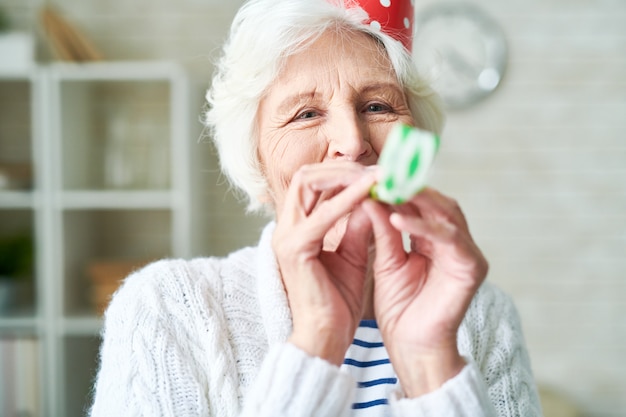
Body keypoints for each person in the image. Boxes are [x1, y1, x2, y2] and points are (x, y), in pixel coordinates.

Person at [90, 0, 542, 416]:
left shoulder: (484, 315)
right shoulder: (165, 309)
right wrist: (316, 342)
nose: (352, 143)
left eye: (378, 105)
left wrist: (431, 368)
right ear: (259, 166)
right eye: (305, 114)